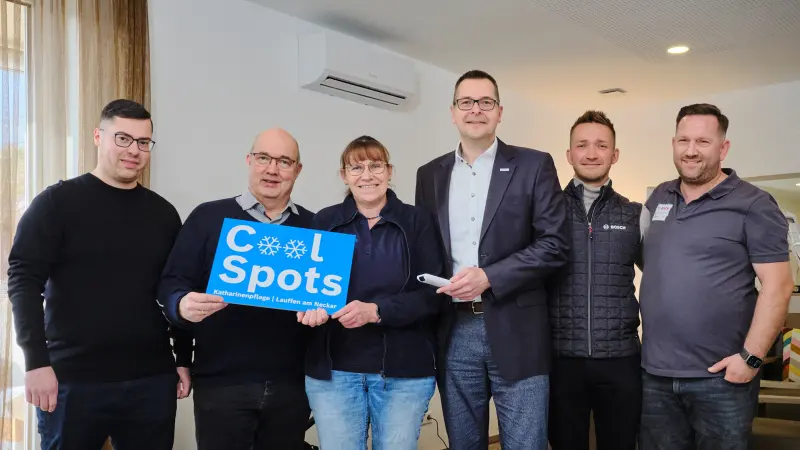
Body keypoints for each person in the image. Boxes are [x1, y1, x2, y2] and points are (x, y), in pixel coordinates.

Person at [7, 99, 191, 450]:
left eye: (143, 142)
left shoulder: (164, 214)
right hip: (71, 379)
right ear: (98, 136)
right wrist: (35, 362)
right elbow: (23, 280)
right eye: (122, 138)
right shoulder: (56, 203)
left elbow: (177, 287)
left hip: (151, 378)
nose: (133, 150)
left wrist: (183, 358)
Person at [415, 69, 570, 449]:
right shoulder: (429, 174)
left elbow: (555, 244)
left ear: (499, 111)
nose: (476, 110)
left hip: (518, 328)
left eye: (486, 102)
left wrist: (490, 277)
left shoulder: (534, 165)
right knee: (464, 443)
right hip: (453, 330)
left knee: (525, 443)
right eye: (466, 102)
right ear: (453, 112)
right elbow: (425, 249)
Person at [638, 103, 794, 449]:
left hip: (722, 378)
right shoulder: (659, 197)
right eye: (683, 140)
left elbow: (778, 287)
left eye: (703, 142)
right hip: (655, 376)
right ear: (673, 143)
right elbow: (653, 263)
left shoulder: (754, 204)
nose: (691, 151)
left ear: (723, 148)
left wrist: (751, 359)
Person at [158, 128, 315, 450]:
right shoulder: (207, 217)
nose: (272, 169)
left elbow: (333, 297)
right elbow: (172, 283)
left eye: (284, 161)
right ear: (249, 161)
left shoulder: (317, 228)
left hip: (294, 385)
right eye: (263, 158)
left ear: (298, 170)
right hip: (221, 382)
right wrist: (181, 304)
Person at [299, 135, 445, 450]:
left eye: (375, 165)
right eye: (356, 167)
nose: (367, 175)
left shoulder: (417, 221)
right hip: (334, 372)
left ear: (389, 171)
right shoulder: (323, 222)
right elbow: (308, 290)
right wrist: (307, 309)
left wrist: (377, 311)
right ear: (344, 175)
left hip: (404, 373)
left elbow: (434, 295)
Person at [547, 110, 647, 450]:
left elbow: (663, 277)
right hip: (560, 359)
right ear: (569, 154)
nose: (591, 153)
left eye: (602, 145)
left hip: (620, 359)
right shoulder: (545, 212)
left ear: (614, 155)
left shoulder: (635, 214)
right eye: (582, 145)